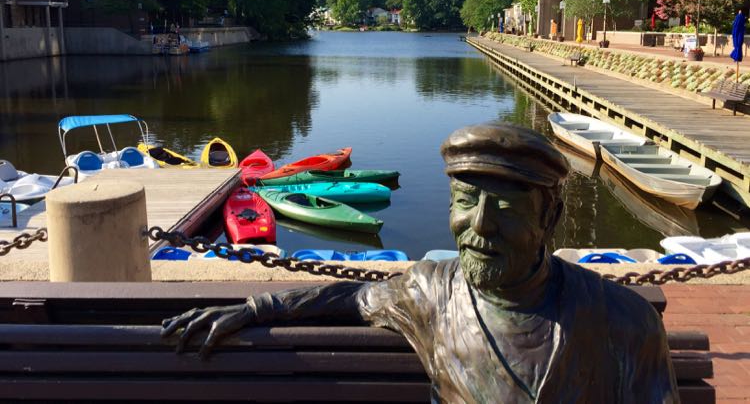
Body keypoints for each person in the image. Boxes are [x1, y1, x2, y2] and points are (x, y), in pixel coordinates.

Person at [163, 123, 677, 403]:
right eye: (465, 201)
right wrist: (258, 308)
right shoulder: (432, 293)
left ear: (552, 217)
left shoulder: (624, 324)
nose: (479, 225)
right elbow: (351, 297)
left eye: (506, 205)